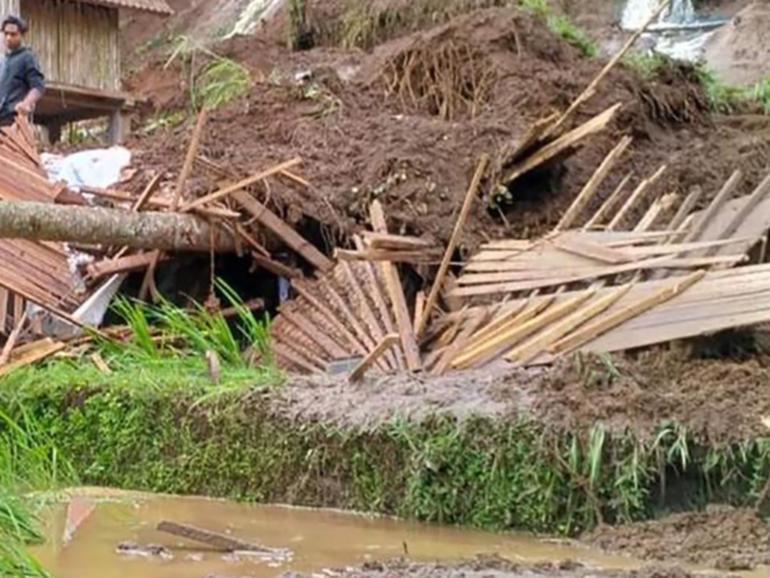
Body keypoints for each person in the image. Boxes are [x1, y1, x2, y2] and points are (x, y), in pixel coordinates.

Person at [0, 15, 44, 126]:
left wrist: (26, 103)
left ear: (21, 35)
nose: (8, 38)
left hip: (14, 120)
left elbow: (38, 86)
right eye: (6, 34)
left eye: (13, 34)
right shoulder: (3, 61)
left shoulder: (27, 57)